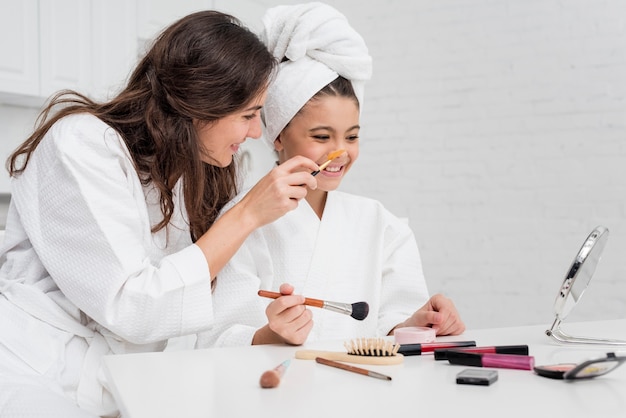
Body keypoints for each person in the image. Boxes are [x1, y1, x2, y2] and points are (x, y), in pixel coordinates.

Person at [0, 10, 320, 418]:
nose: (256, 133)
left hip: (121, 383)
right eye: (248, 115)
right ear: (202, 105)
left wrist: (267, 334)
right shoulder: (82, 144)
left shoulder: (194, 176)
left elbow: (197, 321)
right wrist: (245, 216)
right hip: (29, 370)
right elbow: (131, 306)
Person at [198, 2, 465, 349]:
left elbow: (391, 328)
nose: (341, 151)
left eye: (352, 137)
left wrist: (418, 322)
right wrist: (268, 336)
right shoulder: (240, 223)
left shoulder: (382, 225)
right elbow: (214, 340)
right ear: (277, 135)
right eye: (322, 137)